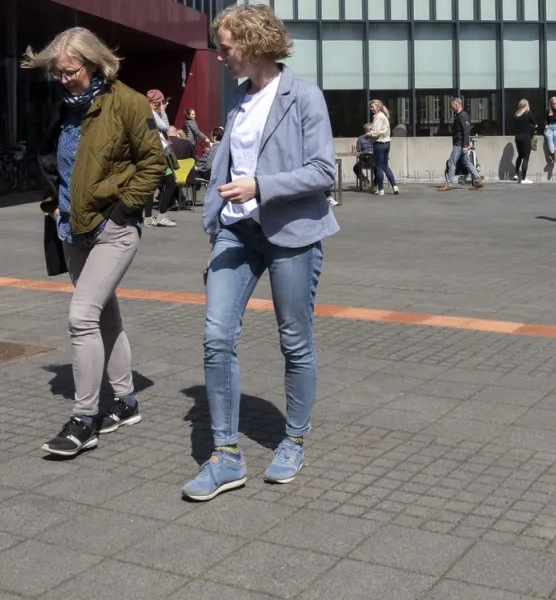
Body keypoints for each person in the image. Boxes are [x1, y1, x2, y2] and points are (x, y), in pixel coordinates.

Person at [184, 3, 339, 502]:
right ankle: (226, 455)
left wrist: (260, 185)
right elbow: (228, 166)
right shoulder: (239, 98)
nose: (219, 55)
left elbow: (323, 170)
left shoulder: (304, 96)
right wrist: (216, 224)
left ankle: (293, 439)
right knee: (216, 336)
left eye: (225, 47)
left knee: (294, 340)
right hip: (237, 231)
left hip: (291, 231)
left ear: (252, 44)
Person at [24, 26, 166, 456]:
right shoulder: (65, 107)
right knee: (104, 317)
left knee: (82, 317)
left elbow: (154, 161)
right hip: (71, 228)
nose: (63, 79)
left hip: (113, 229)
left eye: (70, 71)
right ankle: (125, 401)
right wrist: (53, 204)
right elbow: (56, 163)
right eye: (58, 72)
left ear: (94, 63)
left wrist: (125, 210)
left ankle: (84, 419)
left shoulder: (127, 102)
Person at [144, 89, 178, 228]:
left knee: (151, 187)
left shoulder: (145, 113)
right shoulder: (150, 113)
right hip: (157, 155)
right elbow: (165, 127)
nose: (158, 106)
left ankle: (149, 217)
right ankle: (161, 216)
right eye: (158, 104)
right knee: (170, 183)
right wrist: (163, 111)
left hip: (153, 154)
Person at [437, 97, 482, 192]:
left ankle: (448, 184)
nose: (451, 107)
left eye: (452, 105)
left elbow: (466, 131)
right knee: (467, 163)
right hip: (459, 143)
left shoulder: (463, 116)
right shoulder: (458, 115)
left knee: (451, 163)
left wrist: (465, 145)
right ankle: (478, 180)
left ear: (456, 104)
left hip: (460, 144)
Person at [367, 99, 398, 195]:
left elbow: (376, 132)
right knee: (385, 166)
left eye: (373, 107)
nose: (371, 109)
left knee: (379, 167)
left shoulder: (378, 117)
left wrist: (369, 134)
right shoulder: (384, 116)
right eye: (371, 107)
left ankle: (381, 189)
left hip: (379, 143)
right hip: (387, 143)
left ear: (378, 107)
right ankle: (394, 186)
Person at [512, 98, 538, 184]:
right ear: (527, 105)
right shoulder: (528, 113)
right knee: (526, 157)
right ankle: (523, 178)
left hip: (517, 137)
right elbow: (535, 124)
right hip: (525, 137)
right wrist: (532, 128)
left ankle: (516, 174)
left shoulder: (516, 115)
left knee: (520, 155)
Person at [352, 122, 374, 188]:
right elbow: (358, 151)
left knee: (378, 167)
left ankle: (375, 183)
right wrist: (355, 152)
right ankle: (364, 179)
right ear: (366, 131)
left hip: (373, 159)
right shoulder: (360, 139)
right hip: (364, 159)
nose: (370, 131)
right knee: (356, 167)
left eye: (371, 129)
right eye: (369, 130)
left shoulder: (375, 138)